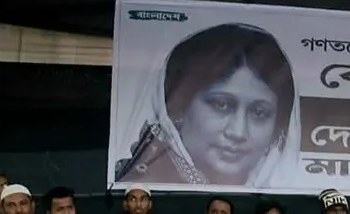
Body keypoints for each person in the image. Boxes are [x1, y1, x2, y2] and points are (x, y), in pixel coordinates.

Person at [111, 23, 301, 187]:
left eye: (259, 113)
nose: (238, 132)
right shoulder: (140, 189)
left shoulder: (278, 200)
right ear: (179, 109)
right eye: (221, 105)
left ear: (278, 129)